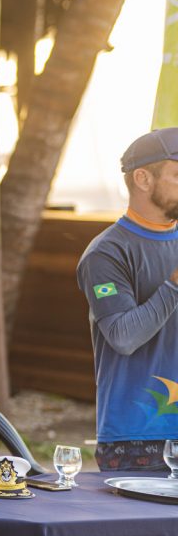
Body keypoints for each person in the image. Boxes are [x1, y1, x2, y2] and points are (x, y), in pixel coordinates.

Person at [77, 128, 178, 471]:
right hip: (138, 439)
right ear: (143, 179)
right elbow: (123, 336)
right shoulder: (105, 254)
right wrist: (174, 285)